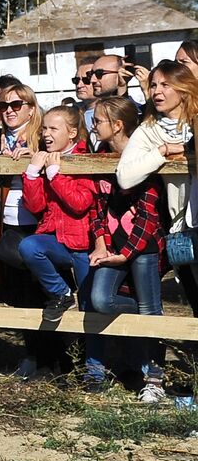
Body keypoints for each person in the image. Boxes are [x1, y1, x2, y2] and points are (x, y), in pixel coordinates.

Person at [86, 96, 164, 397]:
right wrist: (102, 243)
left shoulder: (141, 155)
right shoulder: (98, 157)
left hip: (143, 247)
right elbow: (97, 207)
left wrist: (126, 254)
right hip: (113, 246)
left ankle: (155, 380)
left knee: (151, 308)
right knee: (101, 299)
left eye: (99, 121)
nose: (93, 126)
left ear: (117, 125)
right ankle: (149, 316)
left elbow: (149, 214)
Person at [117, 59, 198, 330]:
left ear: (184, 89)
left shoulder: (196, 121)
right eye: (153, 85)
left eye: (165, 84)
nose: (156, 91)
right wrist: (162, 151)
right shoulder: (149, 131)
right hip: (183, 227)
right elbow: (125, 176)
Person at [17, 105, 95, 324]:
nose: (46, 134)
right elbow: (36, 207)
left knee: (89, 307)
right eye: (44, 129)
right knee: (29, 246)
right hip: (56, 238)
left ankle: (93, 358)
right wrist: (32, 174)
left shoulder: (84, 158)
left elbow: (80, 204)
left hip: (83, 243)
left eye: (53, 129)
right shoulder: (46, 158)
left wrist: (54, 175)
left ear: (71, 133)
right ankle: (61, 292)